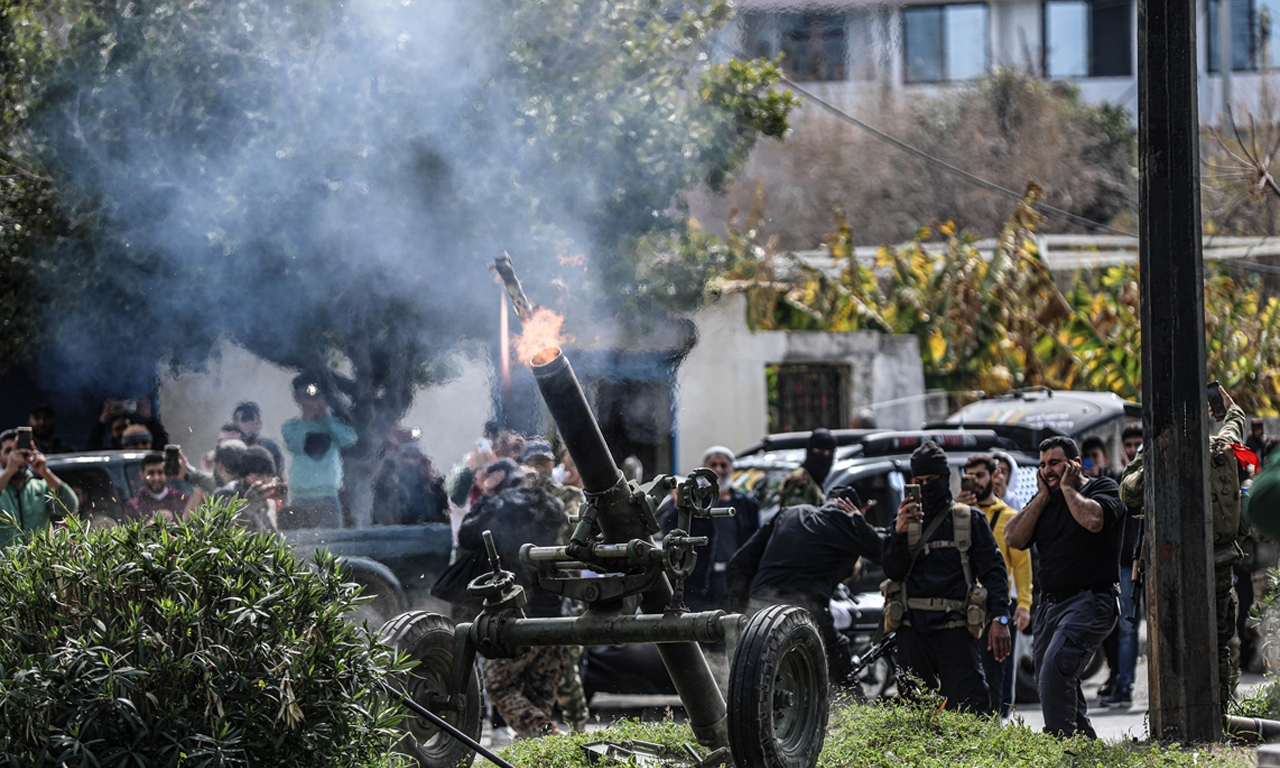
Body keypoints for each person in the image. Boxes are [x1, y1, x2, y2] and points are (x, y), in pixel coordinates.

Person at [1120, 384, 1247, 712]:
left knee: (1176, 641)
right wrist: (1229, 408)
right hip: (1220, 560)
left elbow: (1129, 493)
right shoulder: (1223, 446)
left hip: (1175, 567)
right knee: (1218, 642)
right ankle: (1220, 713)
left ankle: (1183, 713)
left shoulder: (1160, 451)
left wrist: (1152, 453)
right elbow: (1236, 420)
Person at [1005, 435, 1124, 738]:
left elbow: (1094, 520)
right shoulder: (1045, 500)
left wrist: (1069, 489)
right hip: (1050, 606)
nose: (1047, 470)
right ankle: (1083, 745)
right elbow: (1013, 538)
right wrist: (1043, 497)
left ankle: (1059, 744)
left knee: (1056, 668)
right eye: (1043, 464)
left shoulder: (1102, 488)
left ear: (1073, 463)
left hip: (1091, 601)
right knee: (1054, 679)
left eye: (1054, 463)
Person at [883, 441, 1010, 713]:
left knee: (971, 711)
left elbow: (994, 572)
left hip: (955, 633)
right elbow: (892, 570)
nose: (927, 485)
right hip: (912, 632)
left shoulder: (969, 520)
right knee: (915, 718)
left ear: (945, 478)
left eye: (933, 479)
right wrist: (899, 532)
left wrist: (1001, 617)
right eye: (920, 480)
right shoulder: (903, 521)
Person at [727, 485, 884, 685]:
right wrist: (858, 522)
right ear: (858, 509)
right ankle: (851, 708)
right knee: (841, 669)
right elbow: (887, 551)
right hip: (804, 612)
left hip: (757, 611)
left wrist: (738, 609)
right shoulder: (849, 523)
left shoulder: (789, 513)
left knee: (753, 679)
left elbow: (739, 563)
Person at [457, 460, 566, 738]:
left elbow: (466, 535)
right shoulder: (551, 504)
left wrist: (485, 500)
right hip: (552, 613)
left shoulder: (498, 505)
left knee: (498, 686)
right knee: (539, 691)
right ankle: (540, 748)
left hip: (512, 613)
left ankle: (545, 734)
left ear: (500, 477)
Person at [958, 454, 1032, 716]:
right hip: (964, 606)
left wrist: (1024, 604)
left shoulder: (1009, 516)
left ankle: (1002, 718)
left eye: (980, 475)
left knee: (1001, 671)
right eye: (969, 477)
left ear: (994, 476)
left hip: (999, 605)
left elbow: (1021, 564)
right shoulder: (957, 516)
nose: (974, 482)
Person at [662, 445, 759, 610]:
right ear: (704, 469)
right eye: (713, 465)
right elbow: (669, 529)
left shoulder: (747, 505)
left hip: (735, 582)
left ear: (731, 469)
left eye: (723, 465)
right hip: (699, 583)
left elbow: (756, 544)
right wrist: (678, 504)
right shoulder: (693, 502)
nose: (718, 470)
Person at [1098, 423, 1145, 708]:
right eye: (1128, 446)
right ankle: (1122, 683)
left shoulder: (1151, 477)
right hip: (1126, 564)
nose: (1132, 450)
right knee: (1123, 627)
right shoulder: (1117, 480)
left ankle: (1123, 683)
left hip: (1151, 562)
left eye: (1137, 445)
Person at [281, 373, 357, 528]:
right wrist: (306, 419)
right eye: (304, 396)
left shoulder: (333, 424)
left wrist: (326, 416)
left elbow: (349, 440)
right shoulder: (291, 426)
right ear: (297, 398)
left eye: (314, 395)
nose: (310, 400)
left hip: (327, 494)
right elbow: (294, 445)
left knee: (332, 543)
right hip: (300, 494)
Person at [0, 428, 79, 547]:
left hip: (38, 563)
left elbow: (71, 505)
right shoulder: (2, 488)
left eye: (20, 449)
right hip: (6, 564)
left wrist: (45, 472)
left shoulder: (40, 487)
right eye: (8, 451)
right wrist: (9, 470)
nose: (15, 455)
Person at [373, 442, 449, 526]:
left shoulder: (433, 486)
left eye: (415, 457)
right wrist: (387, 465)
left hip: (428, 531)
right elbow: (381, 505)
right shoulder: (389, 484)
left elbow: (444, 508)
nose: (410, 461)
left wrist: (433, 483)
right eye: (405, 456)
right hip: (397, 532)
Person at [213, 446, 282, 531]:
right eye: (259, 476)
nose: (265, 481)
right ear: (243, 477)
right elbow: (227, 532)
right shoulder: (225, 495)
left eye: (268, 476)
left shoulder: (266, 502)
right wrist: (248, 508)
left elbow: (273, 539)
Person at [123, 452, 190, 523]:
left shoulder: (183, 500)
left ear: (167, 473)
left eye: (160, 472)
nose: (156, 478)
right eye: (151, 473)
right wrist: (152, 523)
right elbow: (131, 533)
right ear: (142, 475)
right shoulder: (134, 506)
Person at [778, 428, 837, 507]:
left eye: (829, 454)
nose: (825, 458)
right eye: (820, 451)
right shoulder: (800, 482)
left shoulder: (813, 481)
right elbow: (798, 516)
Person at [232, 401, 286, 479]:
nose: (238, 424)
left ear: (259, 422)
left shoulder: (270, 448)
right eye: (236, 419)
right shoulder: (232, 449)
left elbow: (280, 477)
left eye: (247, 418)